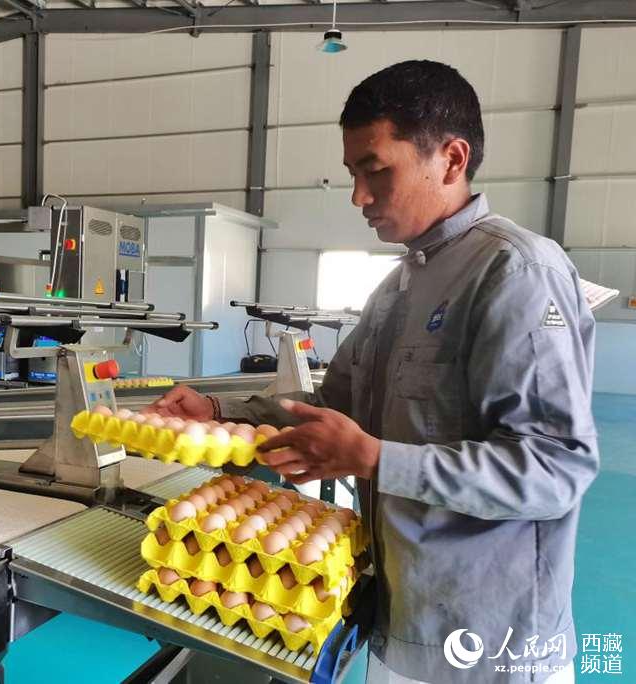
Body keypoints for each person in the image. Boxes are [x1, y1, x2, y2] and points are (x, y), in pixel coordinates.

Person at [145, 60, 597, 684]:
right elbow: (335, 408)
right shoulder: (397, 286)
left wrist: (376, 459)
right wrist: (220, 415)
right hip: (400, 616)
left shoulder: (516, 274)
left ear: (452, 159)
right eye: (353, 174)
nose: (359, 196)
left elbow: (555, 468)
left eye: (376, 170)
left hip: (489, 641)